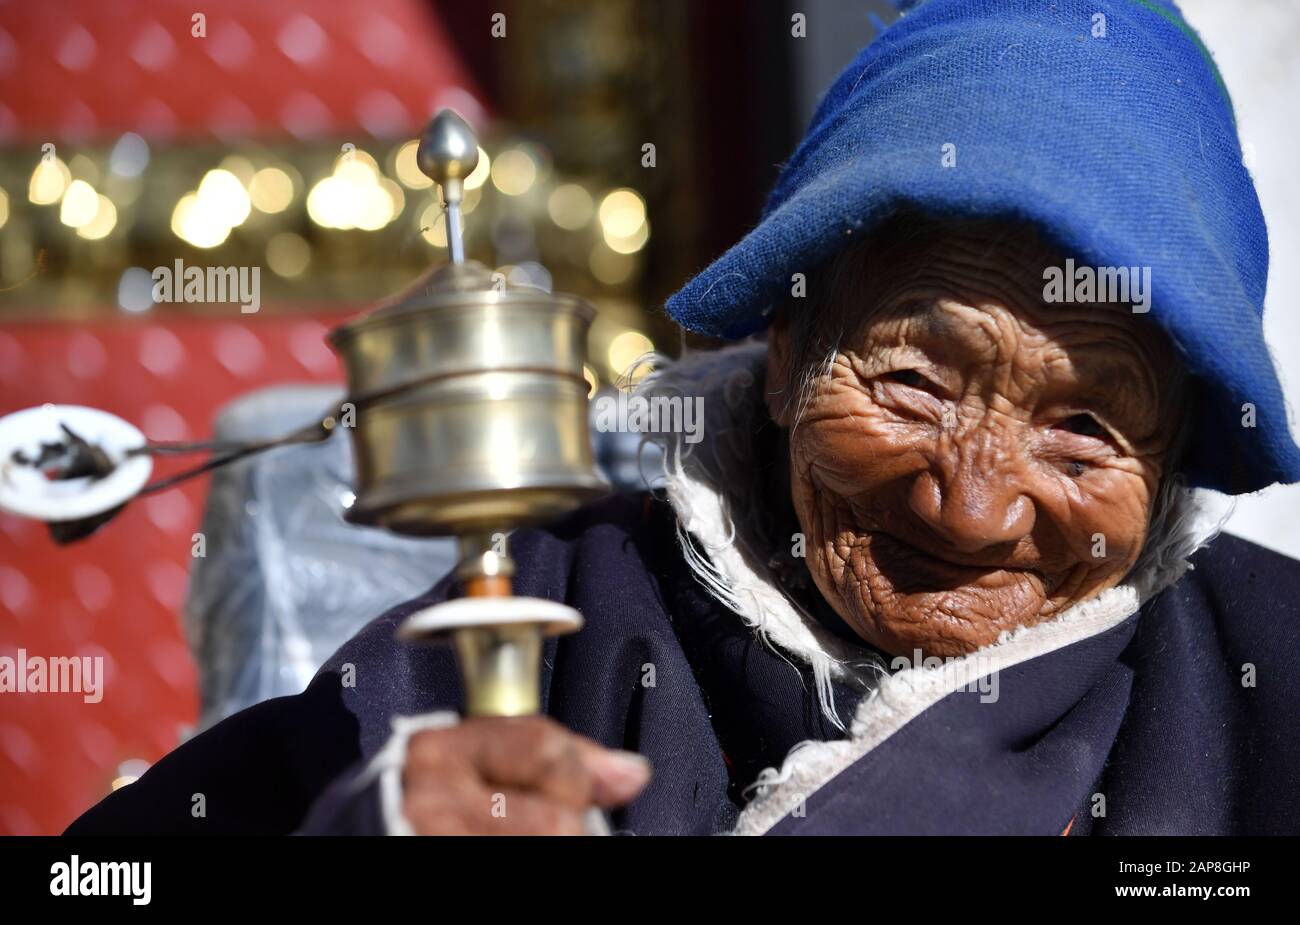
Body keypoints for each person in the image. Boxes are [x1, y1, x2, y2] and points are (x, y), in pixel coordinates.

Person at [68, 0, 1300, 835]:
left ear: (1175, 449)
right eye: (912, 385)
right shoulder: (535, 622)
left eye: (1082, 431)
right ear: (779, 352)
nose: (971, 507)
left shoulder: (1263, 685)